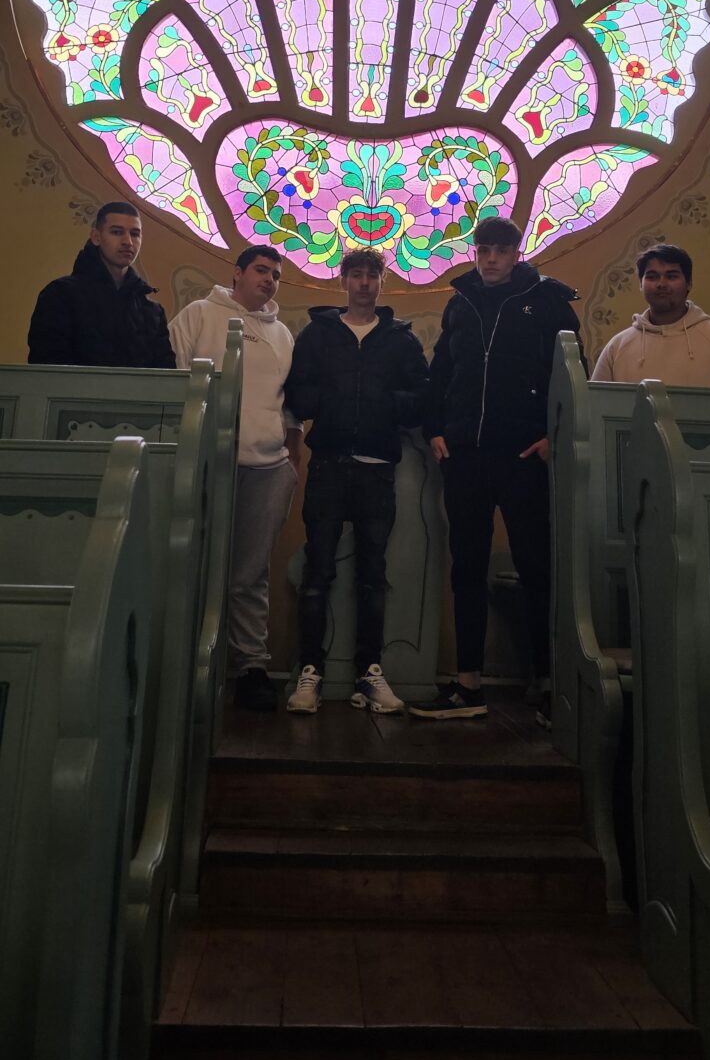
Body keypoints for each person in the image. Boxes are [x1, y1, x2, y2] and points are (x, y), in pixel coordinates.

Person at [411, 215, 582, 724]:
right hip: (465, 454)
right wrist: (435, 427)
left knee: (535, 565)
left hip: (524, 454)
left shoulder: (547, 301)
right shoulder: (460, 301)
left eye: (500, 251)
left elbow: (573, 374)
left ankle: (547, 681)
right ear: (475, 251)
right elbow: (442, 371)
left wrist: (554, 433)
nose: (490, 259)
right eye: (483, 250)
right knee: (467, 565)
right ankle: (468, 685)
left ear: (516, 253)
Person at [283, 248, 428, 715]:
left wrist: (385, 402)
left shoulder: (400, 339)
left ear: (383, 282)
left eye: (372, 276)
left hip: (377, 468)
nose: (364, 283)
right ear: (343, 280)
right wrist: (330, 400)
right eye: (357, 275)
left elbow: (421, 396)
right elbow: (297, 392)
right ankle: (310, 672)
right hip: (328, 463)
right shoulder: (318, 334)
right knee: (317, 572)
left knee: (372, 576)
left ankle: (370, 673)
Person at [170, 247, 302, 712]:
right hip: (206, 460)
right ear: (238, 273)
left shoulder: (282, 334)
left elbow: (290, 403)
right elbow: (173, 381)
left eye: (276, 275)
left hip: (267, 468)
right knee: (194, 563)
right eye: (261, 271)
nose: (269, 280)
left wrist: (292, 457)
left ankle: (251, 667)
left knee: (250, 573)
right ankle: (183, 663)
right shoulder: (199, 314)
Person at [591, 244, 710, 388]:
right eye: (652, 277)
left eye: (671, 276)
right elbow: (595, 407)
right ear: (641, 285)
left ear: (689, 283)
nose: (661, 284)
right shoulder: (617, 347)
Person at [28, 201, 175, 368]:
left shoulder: (152, 312)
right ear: (96, 237)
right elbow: (47, 369)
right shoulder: (60, 296)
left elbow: (165, 376)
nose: (128, 241)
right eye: (117, 232)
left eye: (135, 234)